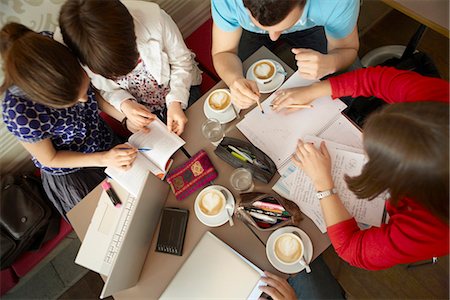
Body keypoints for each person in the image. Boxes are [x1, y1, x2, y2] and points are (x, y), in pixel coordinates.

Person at [271, 66, 449, 270]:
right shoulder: (437, 103)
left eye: (376, 159)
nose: (362, 137)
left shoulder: (431, 229)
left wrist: (323, 183)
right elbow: (377, 78)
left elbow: (351, 249)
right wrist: (313, 91)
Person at [0, 22, 139, 218]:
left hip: (104, 141)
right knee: (113, 220)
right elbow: (50, 158)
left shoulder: (59, 47)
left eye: (84, 89)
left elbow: (93, 95)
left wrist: (124, 118)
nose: (84, 100)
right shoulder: (18, 112)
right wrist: (104, 159)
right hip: (74, 172)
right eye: (73, 101)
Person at [57, 0, 202, 136]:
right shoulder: (74, 52)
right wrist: (124, 104)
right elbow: (103, 89)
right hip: (141, 108)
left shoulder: (155, 19)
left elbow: (182, 61)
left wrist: (176, 101)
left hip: (180, 87)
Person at [211, 0, 360, 109]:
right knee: (246, 88)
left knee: (350, 85)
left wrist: (332, 62)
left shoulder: (335, 2)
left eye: (282, 27)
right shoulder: (228, 2)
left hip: (315, 26)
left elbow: (347, 48)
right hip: (250, 32)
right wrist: (234, 79)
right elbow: (223, 52)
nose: (273, 37)